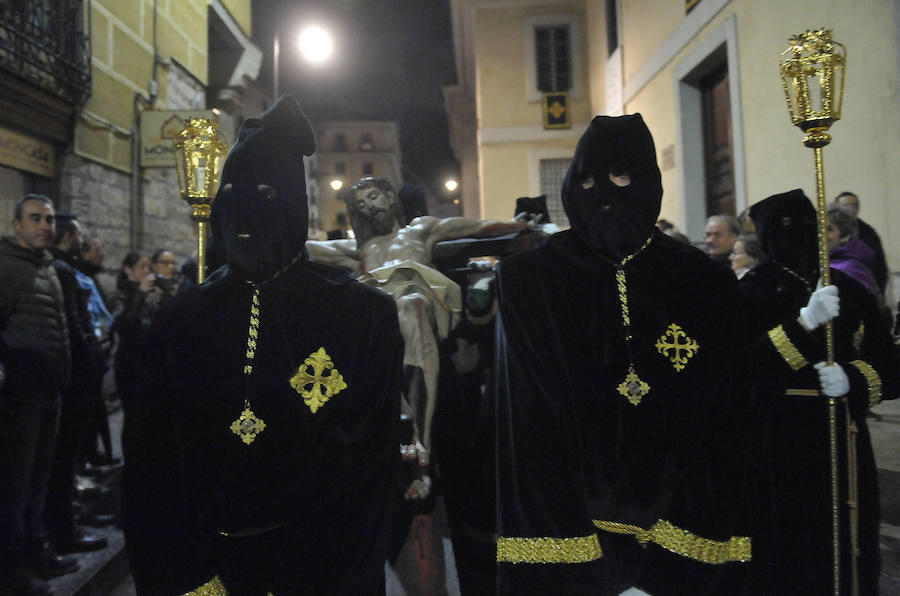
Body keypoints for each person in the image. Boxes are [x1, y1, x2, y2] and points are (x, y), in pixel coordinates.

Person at [122, 94, 403, 595]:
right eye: (231, 192)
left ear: (294, 202)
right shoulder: (182, 320)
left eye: (266, 195)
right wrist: (186, 572)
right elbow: (153, 461)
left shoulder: (357, 316)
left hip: (318, 566)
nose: (245, 212)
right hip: (211, 565)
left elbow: (366, 465)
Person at [494, 114, 752, 595]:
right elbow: (528, 435)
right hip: (569, 544)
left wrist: (668, 567)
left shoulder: (704, 284)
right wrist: (581, 564)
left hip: (680, 540)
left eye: (621, 178)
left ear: (648, 181)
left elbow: (723, 422)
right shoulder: (529, 282)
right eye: (589, 180)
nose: (604, 196)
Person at [307, 176, 526, 496]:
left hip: (419, 307)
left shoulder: (420, 230)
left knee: (411, 306)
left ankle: (420, 445)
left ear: (390, 197)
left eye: (373, 197)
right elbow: (308, 248)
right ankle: (401, 438)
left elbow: (471, 226)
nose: (369, 207)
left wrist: (515, 225)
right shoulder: (357, 249)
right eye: (360, 205)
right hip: (380, 316)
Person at [739, 189, 898, 595]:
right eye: (782, 229)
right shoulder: (749, 292)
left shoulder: (851, 291)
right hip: (774, 439)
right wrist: (804, 323)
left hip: (841, 436)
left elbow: (889, 365)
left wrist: (853, 379)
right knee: (783, 541)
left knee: (844, 542)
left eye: (806, 226)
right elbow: (743, 369)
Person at [0, 195, 73, 595]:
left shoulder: (44, 267)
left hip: (48, 392)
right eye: (35, 218)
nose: (45, 225)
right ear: (16, 226)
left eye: (48, 218)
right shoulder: (7, 266)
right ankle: (11, 570)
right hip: (20, 395)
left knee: (37, 481)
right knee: (15, 485)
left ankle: (34, 553)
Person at [45, 214, 109, 554]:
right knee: (62, 458)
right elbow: (74, 325)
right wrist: (92, 364)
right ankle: (62, 529)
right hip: (74, 377)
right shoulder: (63, 270)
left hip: (70, 375)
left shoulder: (61, 267)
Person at [834, 191, 888, 295]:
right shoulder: (829, 232)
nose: (849, 210)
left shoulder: (868, 233)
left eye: (853, 206)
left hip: (865, 288)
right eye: (845, 206)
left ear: (858, 208)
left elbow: (880, 267)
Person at [826, 206, 879, 297]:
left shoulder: (851, 267)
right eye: (820, 228)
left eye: (829, 229)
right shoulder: (832, 259)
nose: (822, 234)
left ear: (845, 235)